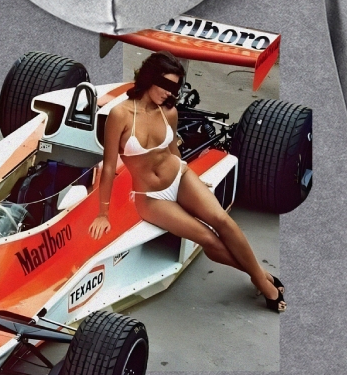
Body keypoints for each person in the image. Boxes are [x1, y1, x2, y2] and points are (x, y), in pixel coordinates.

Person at [89, 51, 285, 311]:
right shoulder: (120, 115)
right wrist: (102, 214)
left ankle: (260, 279)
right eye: (165, 85)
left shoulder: (168, 112)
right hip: (152, 198)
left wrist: (195, 182)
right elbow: (109, 166)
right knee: (208, 239)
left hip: (180, 177)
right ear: (149, 78)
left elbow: (173, 152)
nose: (169, 93)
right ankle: (263, 278)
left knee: (223, 221)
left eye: (174, 88)